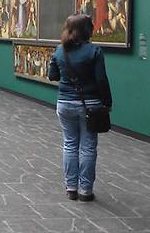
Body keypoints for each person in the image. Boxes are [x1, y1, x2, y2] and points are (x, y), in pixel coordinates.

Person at [49, 14, 112, 202]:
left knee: (69, 144)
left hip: (65, 103)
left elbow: (52, 76)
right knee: (88, 147)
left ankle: (71, 188)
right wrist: (107, 103)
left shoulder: (59, 50)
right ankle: (85, 191)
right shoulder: (94, 51)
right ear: (87, 30)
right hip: (90, 105)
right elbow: (101, 80)